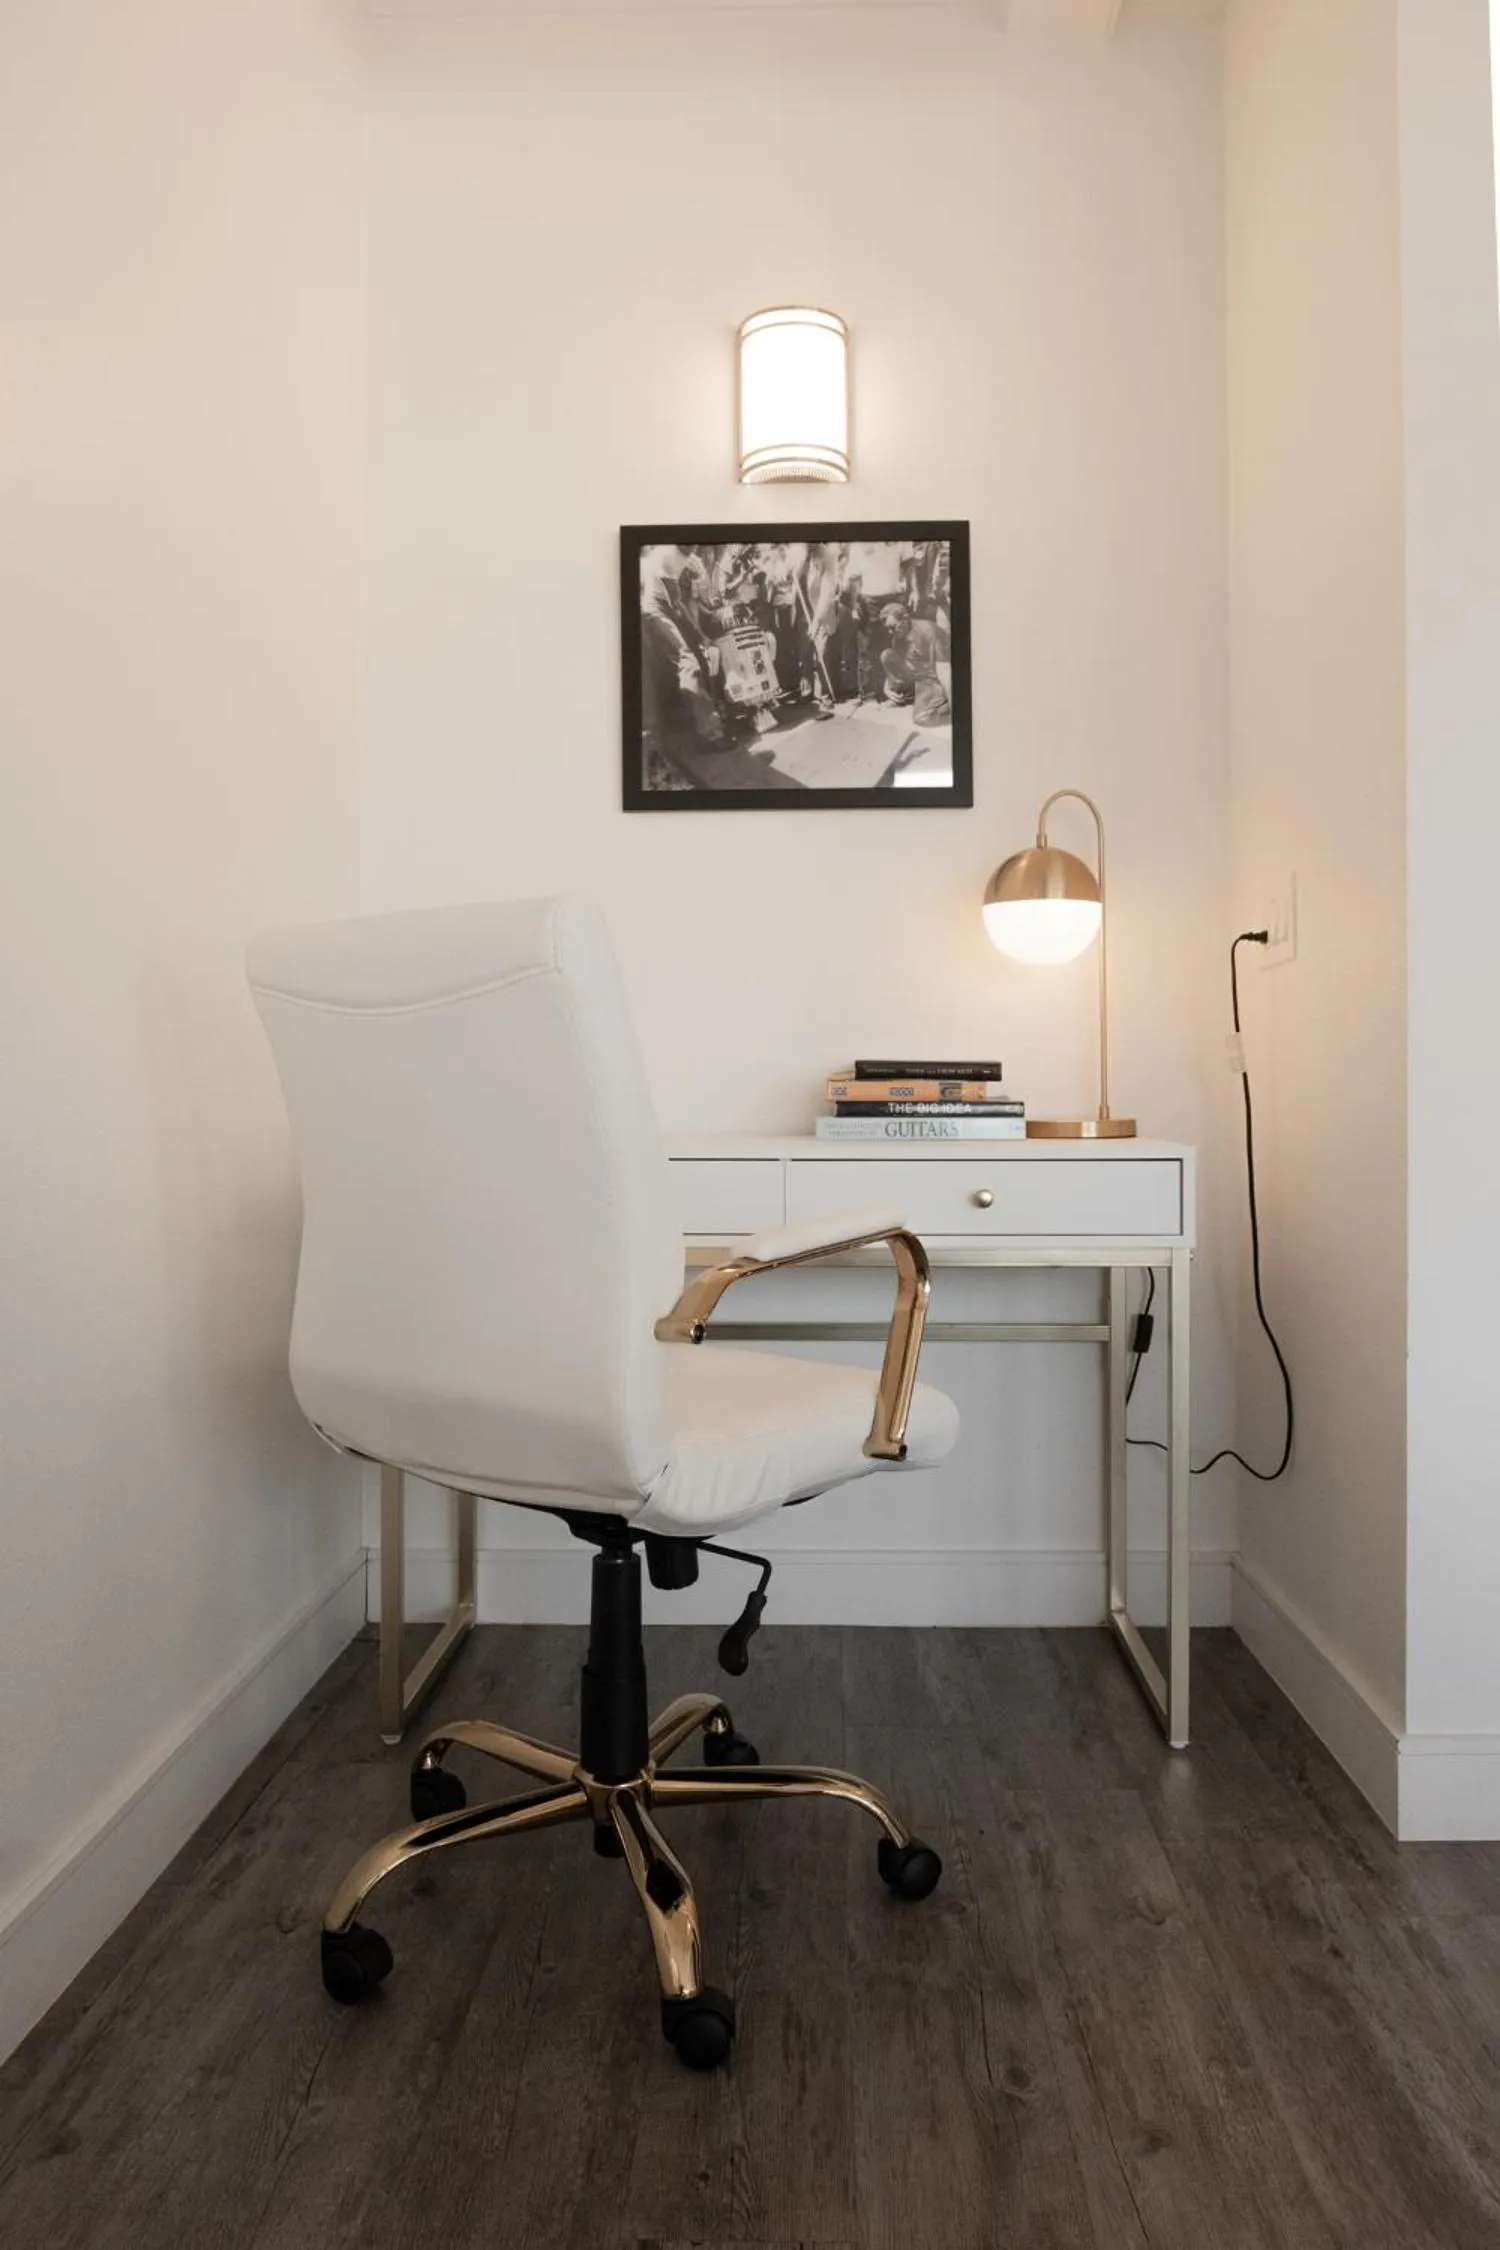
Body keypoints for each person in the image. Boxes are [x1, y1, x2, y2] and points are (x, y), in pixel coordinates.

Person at [878, 601, 951, 727]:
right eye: (887, 628)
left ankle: (947, 708)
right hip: (917, 674)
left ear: (906, 619)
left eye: (893, 627)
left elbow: (945, 668)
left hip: (933, 678)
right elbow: (899, 660)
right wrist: (887, 686)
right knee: (887, 655)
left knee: (921, 718)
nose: (890, 632)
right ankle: (905, 697)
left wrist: (952, 698)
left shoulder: (929, 631)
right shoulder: (898, 634)